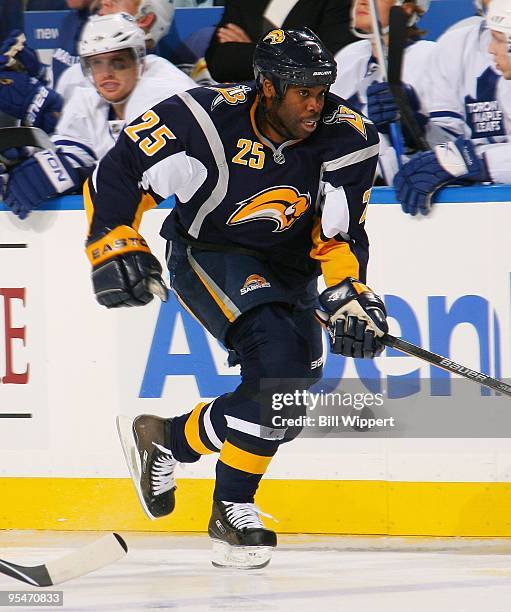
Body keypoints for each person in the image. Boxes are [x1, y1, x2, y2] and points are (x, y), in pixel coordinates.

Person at [84, 27, 388, 568]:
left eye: (322, 91)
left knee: (282, 399)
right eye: (303, 93)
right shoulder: (202, 119)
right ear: (268, 86)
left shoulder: (349, 136)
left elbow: (341, 232)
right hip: (210, 251)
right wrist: (113, 241)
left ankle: (168, 438)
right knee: (276, 367)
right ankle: (232, 508)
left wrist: (349, 294)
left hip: (290, 267)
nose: (316, 105)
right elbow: (122, 167)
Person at [1, 13, 195, 220]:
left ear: (139, 59)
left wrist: (77, 175)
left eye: (118, 62)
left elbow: (152, 177)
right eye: (96, 63)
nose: (106, 73)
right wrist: (46, 165)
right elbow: (76, 146)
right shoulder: (91, 93)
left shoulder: (166, 94)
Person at [393, 0, 507, 216]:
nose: (491, 49)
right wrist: (416, 125)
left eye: (499, 40)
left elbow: (463, 156)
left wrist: (468, 160)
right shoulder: (456, 47)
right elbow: (448, 144)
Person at [331, 0, 435, 184]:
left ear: (407, 7)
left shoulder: (430, 57)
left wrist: (412, 127)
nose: (362, 2)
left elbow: (450, 139)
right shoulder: (347, 58)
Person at [204, 0, 356, 83]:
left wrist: (252, 49)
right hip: (246, 109)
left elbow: (325, 65)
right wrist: (288, 53)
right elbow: (219, 62)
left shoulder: (338, 4)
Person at [56, 0, 179, 100]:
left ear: (145, 19)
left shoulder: (170, 87)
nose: (104, 2)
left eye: (116, 0)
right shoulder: (73, 77)